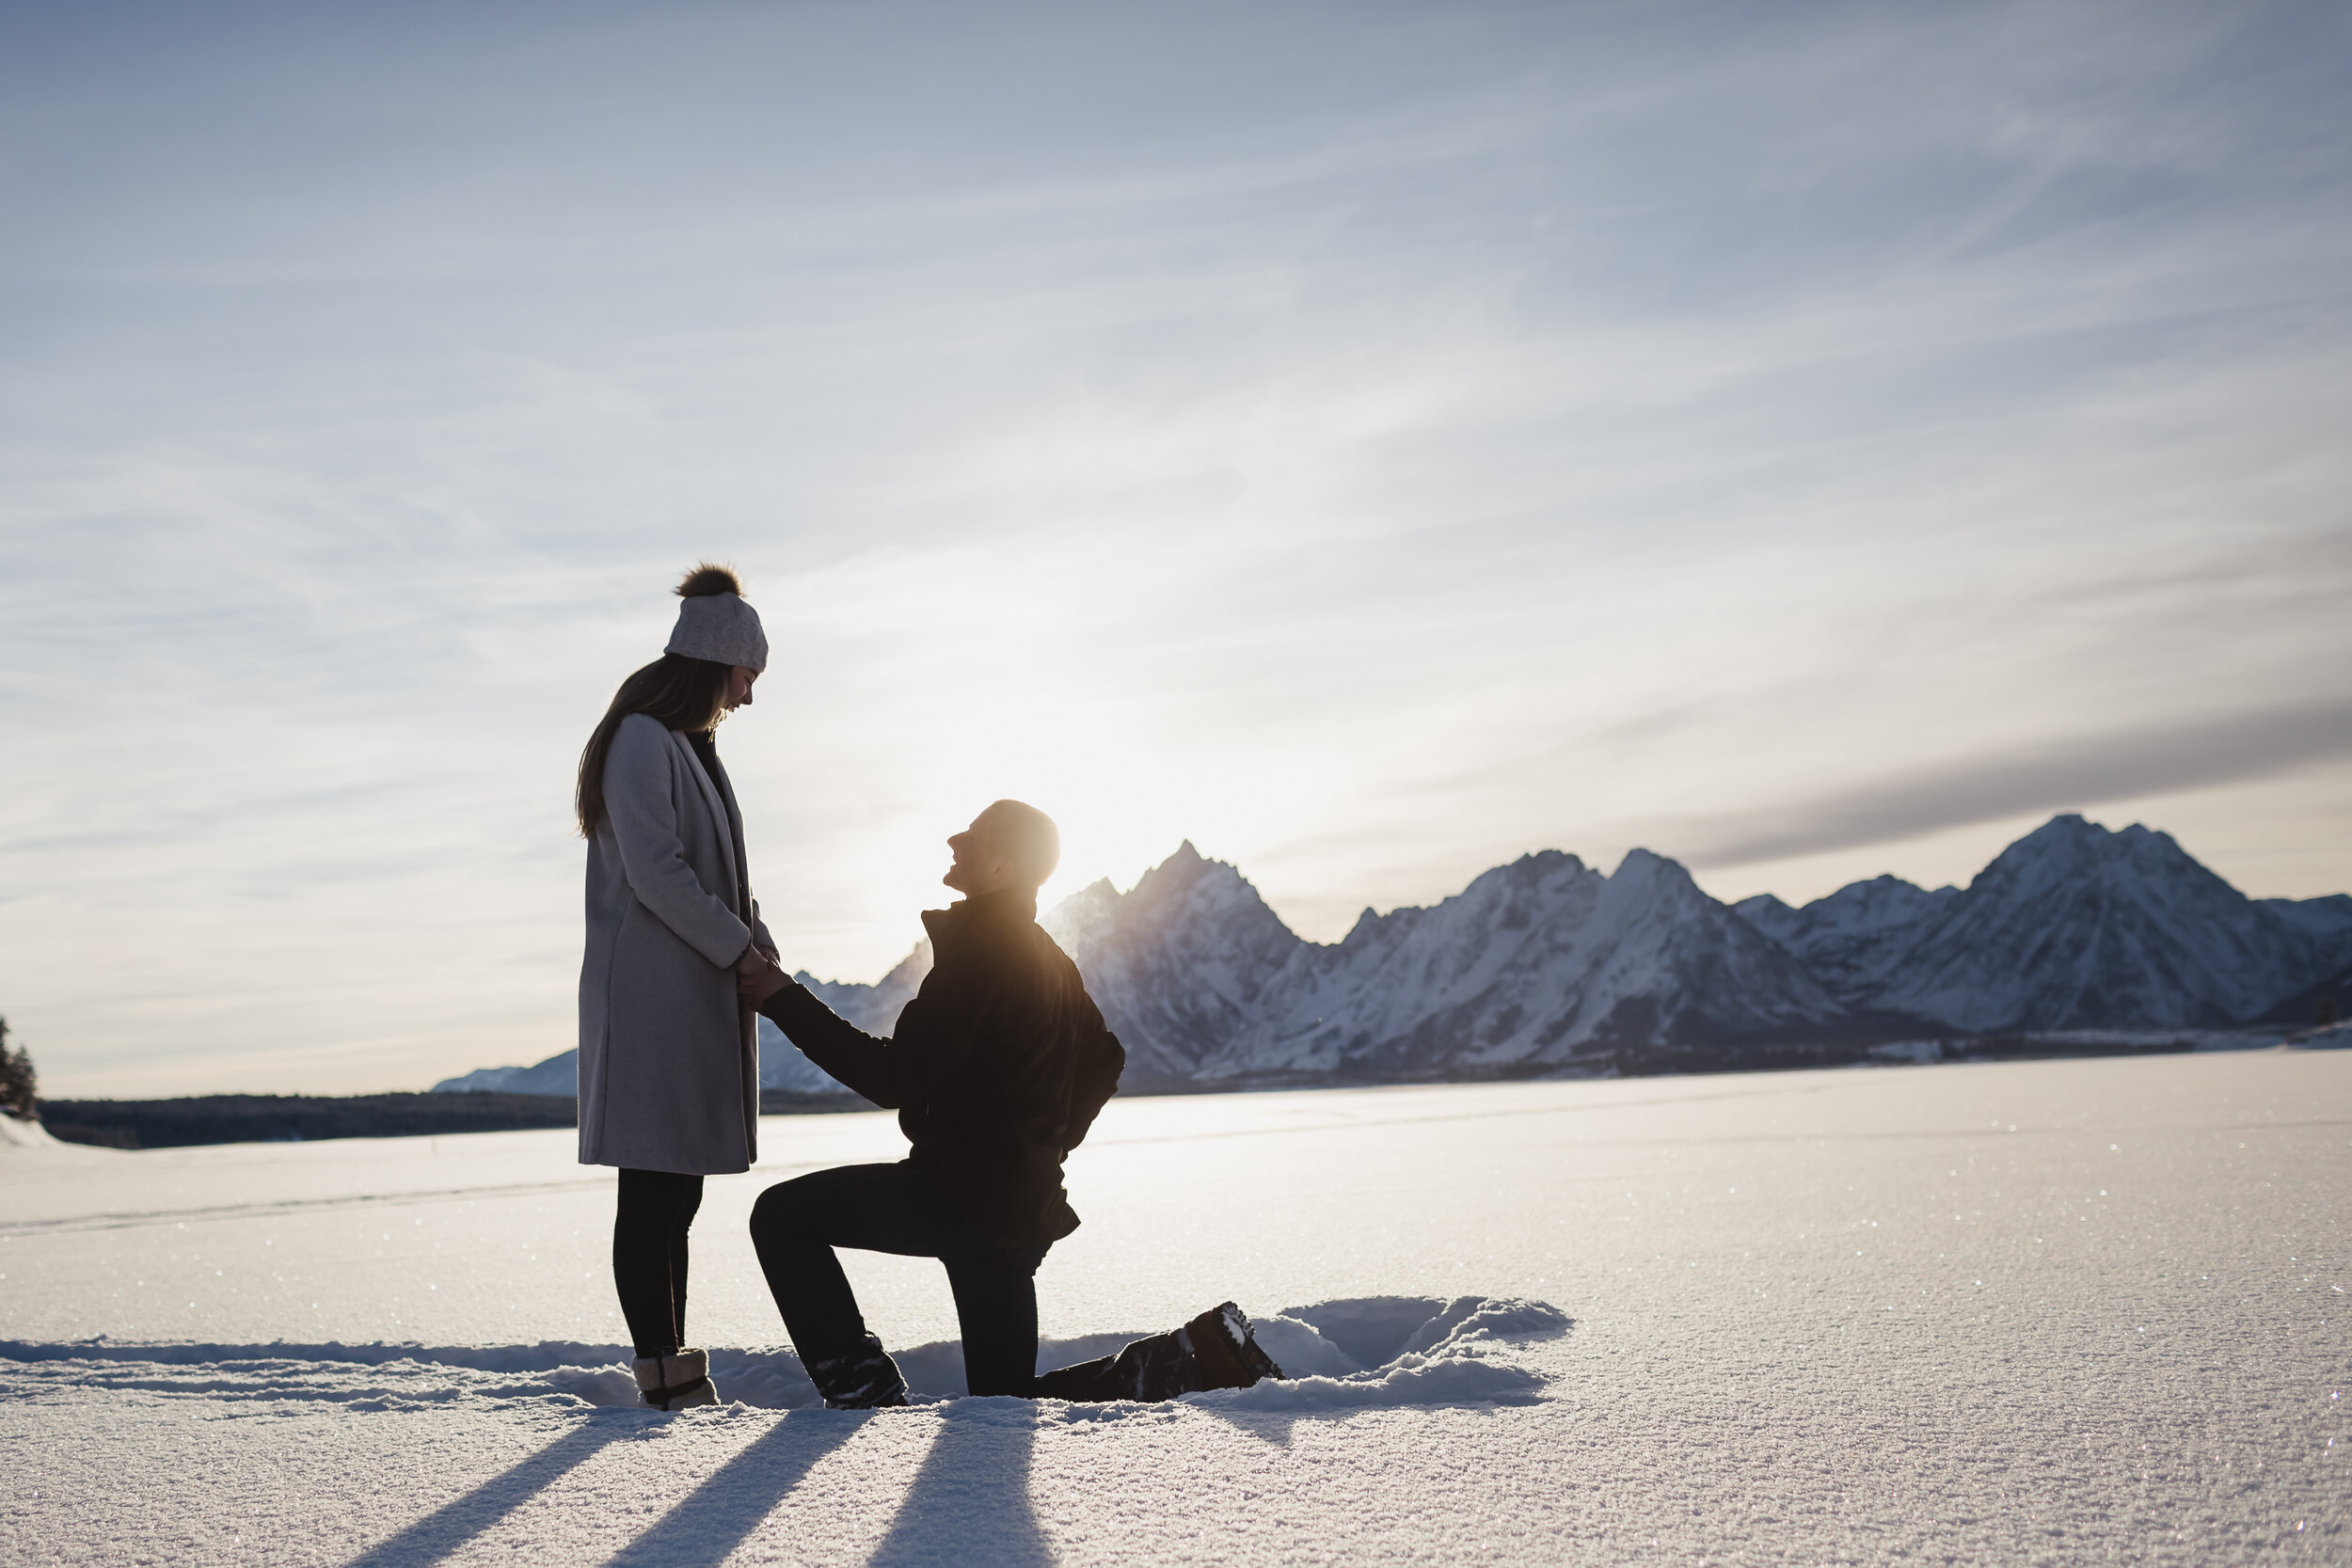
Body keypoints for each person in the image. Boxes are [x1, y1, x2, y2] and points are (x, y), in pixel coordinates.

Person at [739, 799, 1285, 1407]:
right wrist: (1042, 1143)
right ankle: (1195, 1358)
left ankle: (861, 1384)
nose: (955, 839)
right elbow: (1105, 1058)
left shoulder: (983, 955)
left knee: (780, 1217)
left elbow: (893, 1075)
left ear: (1002, 866)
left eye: (972, 835)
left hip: (962, 1197)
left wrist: (781, 997)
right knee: (1004, 1402)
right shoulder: (1047, 957)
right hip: (1017, 1205)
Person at [575, 563, 773, 1411]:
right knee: (652, 1187)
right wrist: (738, 949)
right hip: (652, 997)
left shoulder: (691, 747)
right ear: (719, 659)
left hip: (691, 990)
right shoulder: (642, 741)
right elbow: (660, 872)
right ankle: (660, 1369)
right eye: (748, 677)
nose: (750, 697)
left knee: (678, 1186)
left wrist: (757, 941)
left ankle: (672, 1360)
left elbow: (727, 875)